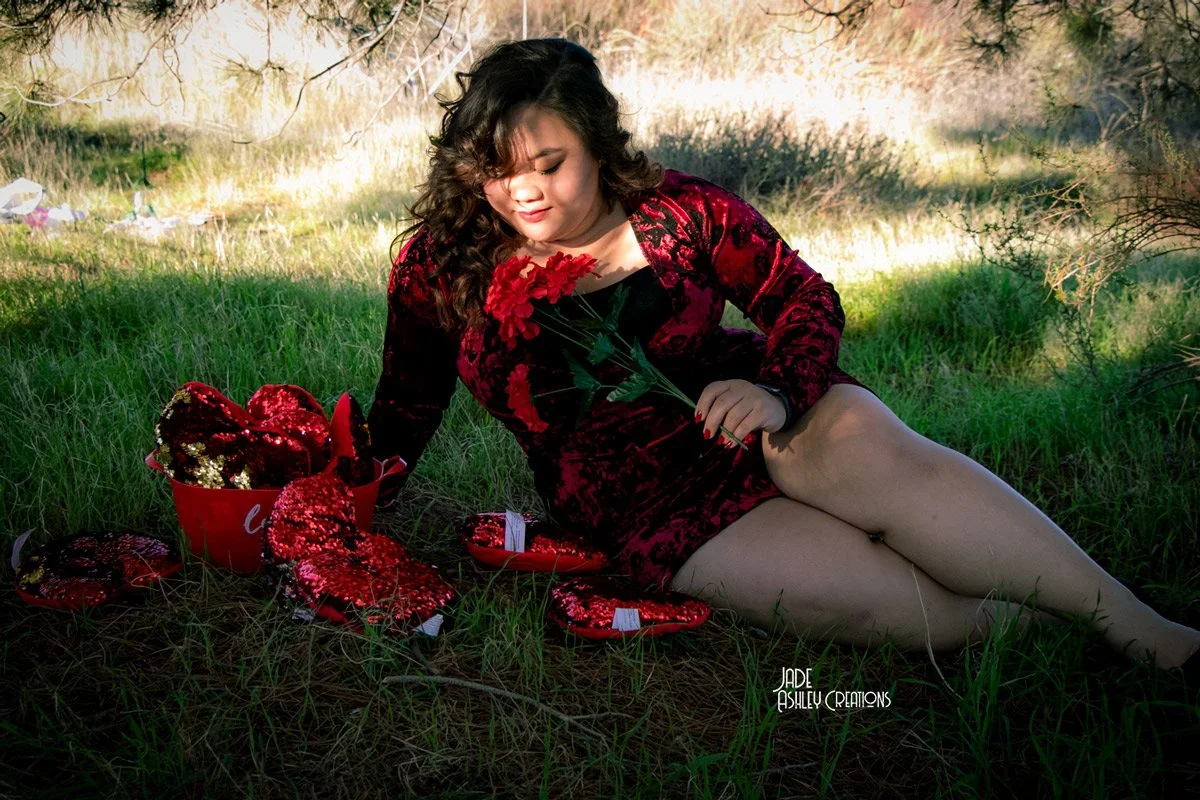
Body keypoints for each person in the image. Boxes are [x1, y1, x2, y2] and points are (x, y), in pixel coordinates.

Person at [367, 37, 1200, 674]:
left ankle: (1139, 626)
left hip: (766, 419)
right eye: (499, 171)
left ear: (596, 144)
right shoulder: (442, 266)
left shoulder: (682, 213)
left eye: (549, 165)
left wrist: (776, 388)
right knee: (892, 608)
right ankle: (1047, 631)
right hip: (650, 503)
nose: (526, 192)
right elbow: (407, 405)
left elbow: (803, 298)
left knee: (877, 458)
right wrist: (347, 501)